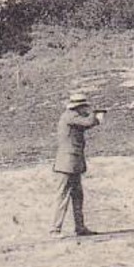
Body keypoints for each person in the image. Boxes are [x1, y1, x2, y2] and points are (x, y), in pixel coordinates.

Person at [50, 92, 106, 237]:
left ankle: (80, 228)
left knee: (77, 196)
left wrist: (94, 116)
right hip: (67, 164)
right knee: (62, 197)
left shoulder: (72, 116)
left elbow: (85, 124)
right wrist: (96, 116)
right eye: (84, 107)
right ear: (79, 107)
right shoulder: (70, 116)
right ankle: (55, 230)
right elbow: (88, 123)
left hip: (72, 164)